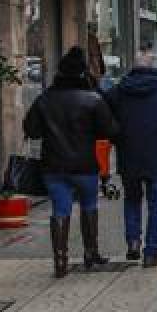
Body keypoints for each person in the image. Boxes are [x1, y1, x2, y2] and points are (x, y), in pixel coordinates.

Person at [23, 47, 118, 278]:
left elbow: (31, 130)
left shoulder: (45, 99)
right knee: (89, 205)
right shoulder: (93, 100)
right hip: (85, 165)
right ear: (83, 73)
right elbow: (109, 130)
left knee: (60, 209)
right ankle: (91, 252)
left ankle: (61, 261)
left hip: (54, 166)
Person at [105, 47, 157, 267]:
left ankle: (133, 242)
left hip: (128, 153)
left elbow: (105, 119)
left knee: (132, 199)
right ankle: (152, 251)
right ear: (154, 67)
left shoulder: (118, 91)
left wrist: (118, 139)